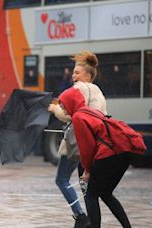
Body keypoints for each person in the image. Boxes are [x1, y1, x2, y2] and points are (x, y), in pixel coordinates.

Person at [58, 87, 132, 228]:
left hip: (109, 155)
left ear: (70, 102)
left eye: (63, 105)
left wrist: (87, 171)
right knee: (105, 193)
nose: (62, 109)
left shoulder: (78, 117)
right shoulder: (88, 111)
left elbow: (87, 148)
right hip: (122, 152)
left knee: (91, 195)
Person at [48, 50, 106, 228]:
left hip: (76, 143)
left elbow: (69, 116)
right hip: (93, 144)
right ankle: (91, 221)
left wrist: (54, 109)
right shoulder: (99, 92)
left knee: (62, 179)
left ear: (88, 75)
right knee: (85, 184)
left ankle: (81, 217)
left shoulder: (78, 89)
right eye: (73, 72)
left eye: (77, 72)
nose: (73, 75)